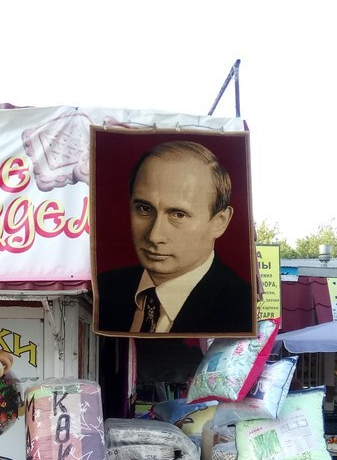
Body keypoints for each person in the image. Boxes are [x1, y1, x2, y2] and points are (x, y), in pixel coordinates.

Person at [94, 140, 254, 334]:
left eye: (178, 214)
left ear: (220, 221)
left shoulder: (238, 306)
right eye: (144, 209)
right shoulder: (105, 289)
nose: (154, 236)